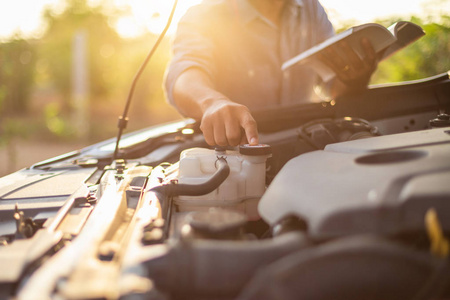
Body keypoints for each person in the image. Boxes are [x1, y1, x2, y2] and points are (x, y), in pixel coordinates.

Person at [164, 0, 378, 147]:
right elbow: (183, 75)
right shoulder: (205, 13)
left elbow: (335, 89)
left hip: (306, 149)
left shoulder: (312, 9)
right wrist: (212, 102)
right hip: (236, 157)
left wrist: (356, 79)